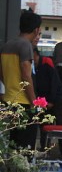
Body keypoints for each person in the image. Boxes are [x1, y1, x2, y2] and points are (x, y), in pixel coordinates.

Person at [0, 10, 42, 149]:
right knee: (25, 148)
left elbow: (2, 73)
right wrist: (34, 102)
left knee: (13, 146)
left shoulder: (7, 45)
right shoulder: (25, 45)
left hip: (9, 100)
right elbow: (26, 74)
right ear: (36, 30)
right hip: (23, 103)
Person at [33, 47, 62, 154]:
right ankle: (44, 148)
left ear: (35, 54)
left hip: (56, 100)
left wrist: (51, 101)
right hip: (43, 102)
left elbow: (54, 83)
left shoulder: (47, 62)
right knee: (44, 125)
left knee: (61, 126)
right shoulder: (32, 67)